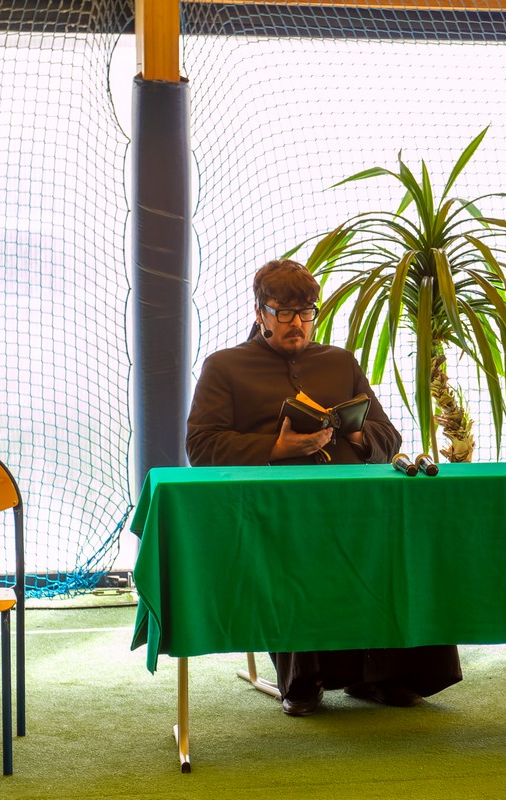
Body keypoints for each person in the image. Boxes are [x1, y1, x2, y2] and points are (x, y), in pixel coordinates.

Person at [185, 258, 463, 715]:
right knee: (301, 541)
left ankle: (390, 674)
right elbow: (201, 446)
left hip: (358, 505)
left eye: (306, 312)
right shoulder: (224, 367)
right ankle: (305, 679)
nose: (297, 323)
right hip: (276, 510)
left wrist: (356, 432)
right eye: (284, 313)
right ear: (260, 313)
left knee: (400, 539)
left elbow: (388, 437)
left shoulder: (339, 361)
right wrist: (276, 447)